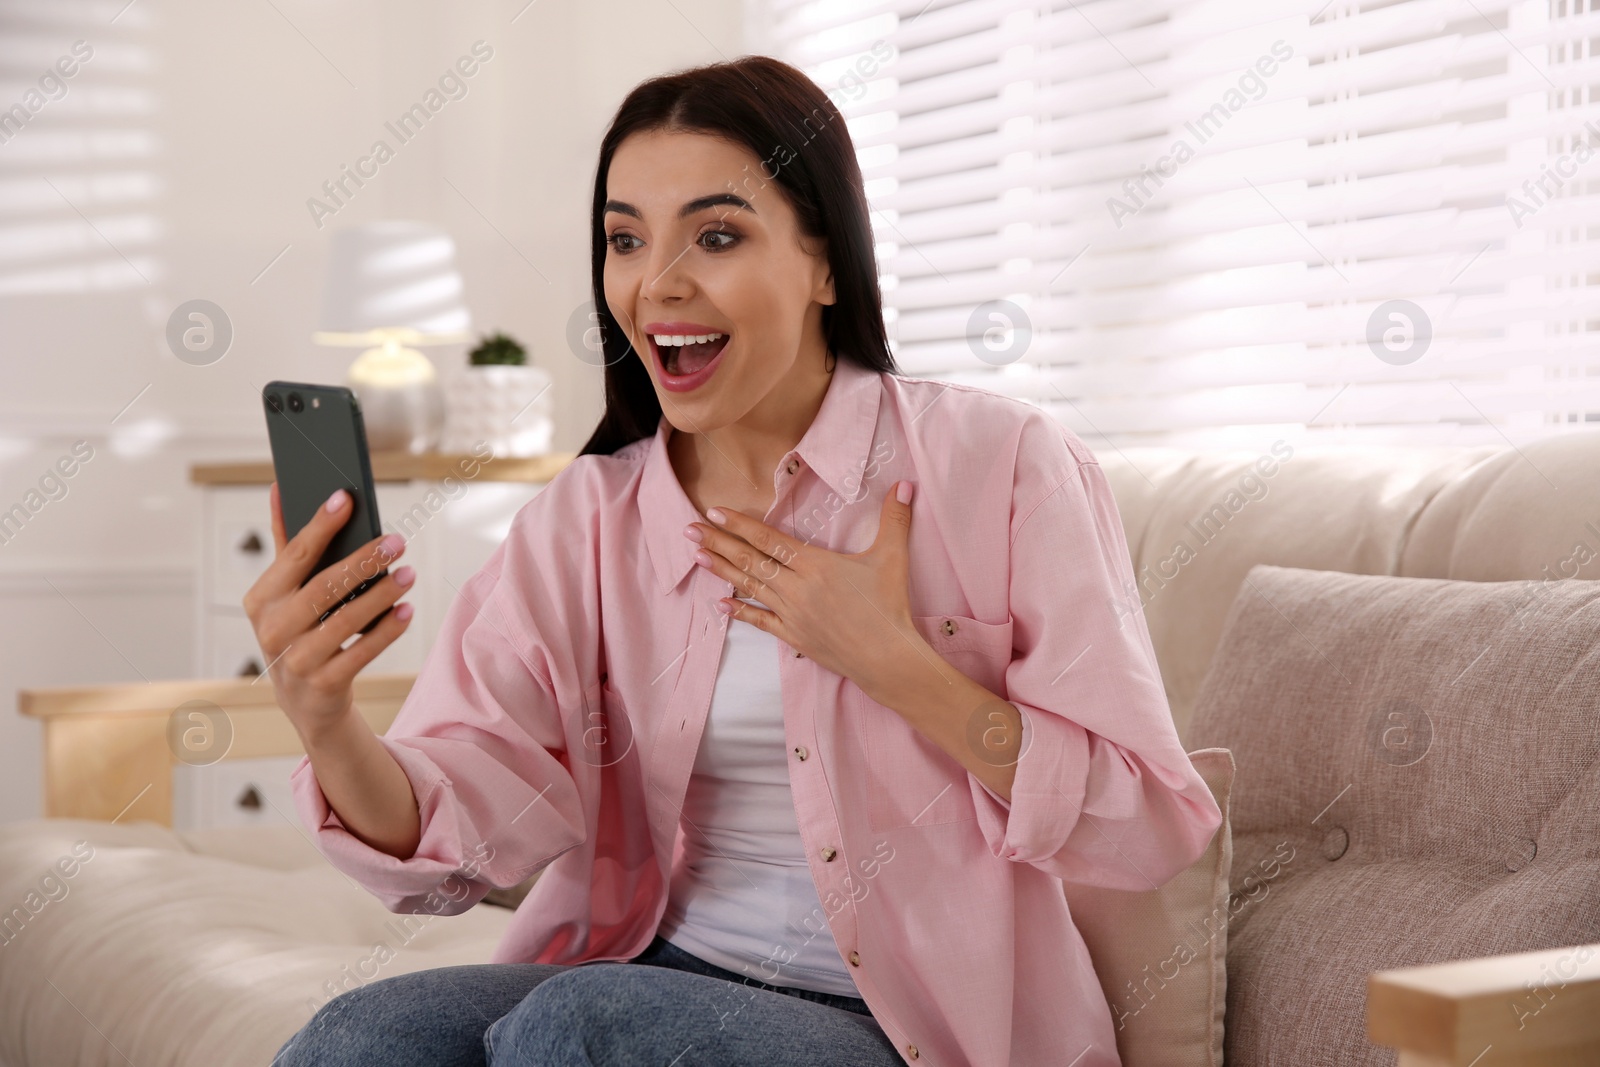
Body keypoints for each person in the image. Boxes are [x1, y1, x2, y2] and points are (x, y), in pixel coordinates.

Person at [255, 54, 1222, 1067]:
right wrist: (325, 718)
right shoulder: (587, 521)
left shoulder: (1006, 466)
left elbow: (1148, 824)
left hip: (914, 1027)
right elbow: (458, 843)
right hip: (649, 965)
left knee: (577, 1026)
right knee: (355, 1035)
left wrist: (896, 665)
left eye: (716, 235)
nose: (658, 283)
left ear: (826, 266)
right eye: (625, 239)